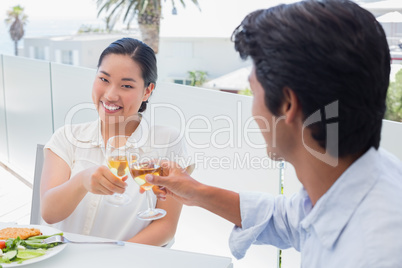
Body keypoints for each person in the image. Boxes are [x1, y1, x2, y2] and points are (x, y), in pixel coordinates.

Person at [145, 0, 402, 266]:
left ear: (288, 105)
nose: (253, 111)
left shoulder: (373, 253)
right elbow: (285, 217)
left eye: (254, 91)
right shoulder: (361, 177)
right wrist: (195, 191)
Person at [40, 38, 189, 246]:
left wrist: (110, 260)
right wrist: (82, 181)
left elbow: (165, 227)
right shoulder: (66, 137)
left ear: (147, 91)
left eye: (126, 85)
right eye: (104, 79)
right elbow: (49, 213)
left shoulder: (167, 142)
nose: (110, 95)